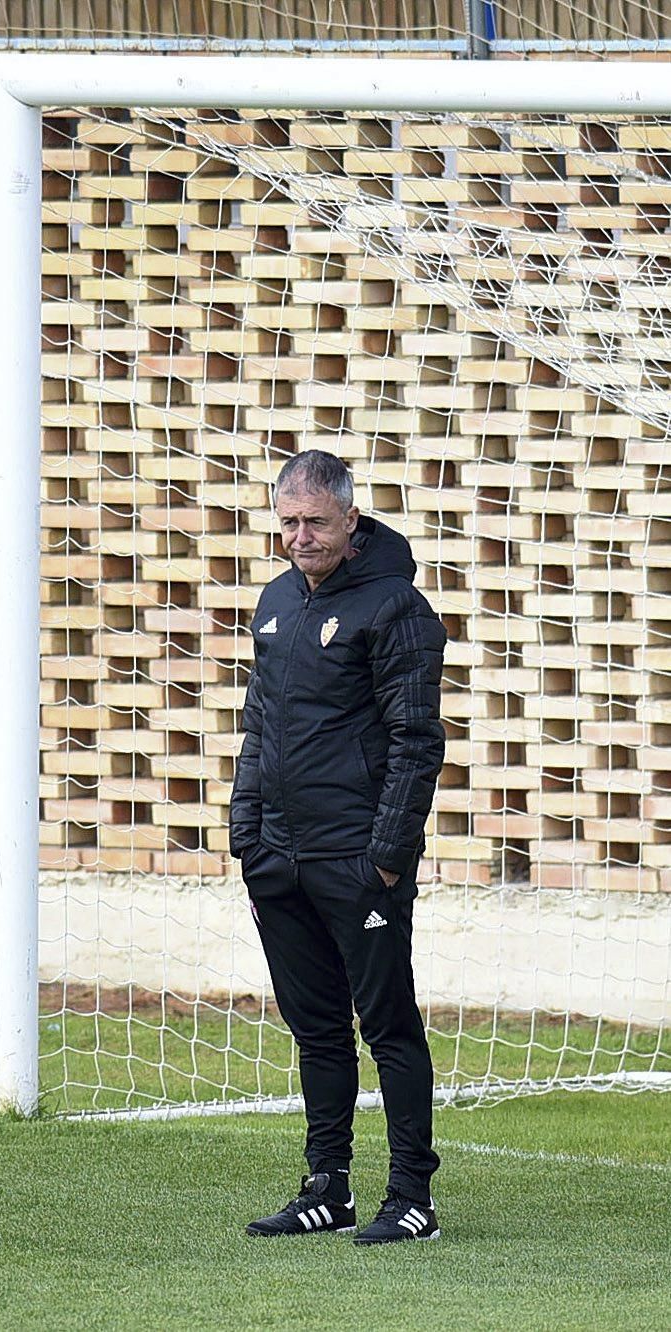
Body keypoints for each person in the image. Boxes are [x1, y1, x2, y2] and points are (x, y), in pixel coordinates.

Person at [229, 449, 447, 1246]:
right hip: (279, 859)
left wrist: (384, 858)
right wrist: (245, 835)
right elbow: (258, 728)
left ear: (352, 519)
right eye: (287, 522)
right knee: (315, 1029)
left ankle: (412, 1197)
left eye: (315, 521)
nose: (299, 537)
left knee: (388, 1027)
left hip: (358, 862)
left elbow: (416, 742)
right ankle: (327, 1188)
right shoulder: (276, 603)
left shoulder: (397, 608)